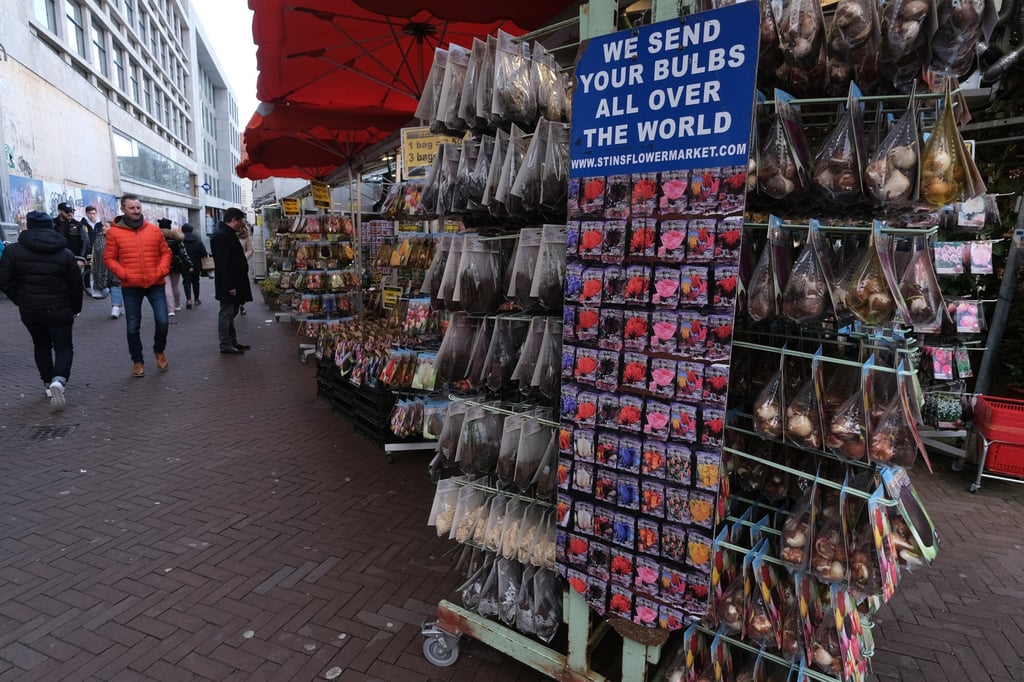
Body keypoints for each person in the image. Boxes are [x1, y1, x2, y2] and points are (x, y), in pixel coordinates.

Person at [0, 211, 84, 411]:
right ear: (50, 226)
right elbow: (75, 285)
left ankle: (47, 383)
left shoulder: (13, 252)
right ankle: (59, 380)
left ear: (28, 226)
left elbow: (4, 281)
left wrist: (20, 299)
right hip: (60, 307)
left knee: (41, 345)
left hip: (30, 309)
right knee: (64, 346)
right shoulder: (65, 253)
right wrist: (75, 307)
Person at [103, 194, 172, 377]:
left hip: (155, 282)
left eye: (138, 208)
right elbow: (109, 258)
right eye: (132, 208)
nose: (136, 211)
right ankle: (137, 361)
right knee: (133, 326)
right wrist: (125, 274)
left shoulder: (154, 230)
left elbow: (165, 252)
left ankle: (159, 350)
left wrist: (162, 269)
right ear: (123, 209)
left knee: (163, 321)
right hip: (130, 285)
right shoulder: (114, 232)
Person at [210, 207, 253, 355]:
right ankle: (226, 344)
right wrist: (229, 285)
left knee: (231, 312)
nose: (242, 224)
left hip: (234, 281)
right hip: (230, 282)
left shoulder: (226, 234)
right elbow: (223, 263)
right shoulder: (222, 236)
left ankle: (231, 342)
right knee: (227, 313)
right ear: (234, 220)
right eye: (241, 221)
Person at [90, 219, 125, 318]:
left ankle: (115, 307)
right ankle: (118, 306)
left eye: (106, 226)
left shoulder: (118, 238)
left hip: (115, 266)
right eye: (103, 226)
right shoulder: (99, 238)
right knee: (109, 285)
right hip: (102, 267)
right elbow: (95, 253)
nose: (103, 227)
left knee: (115, 284)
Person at [158, 218, 192, 316]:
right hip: (176, 265)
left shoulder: (157, 238)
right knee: (175, 286)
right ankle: (177, 304)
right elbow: (183, 253)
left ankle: (170, 309)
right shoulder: (176, 238)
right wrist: (189, 264)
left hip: (162, 264)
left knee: (166, 287)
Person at [181, 224, 208, 308]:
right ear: (192, 230)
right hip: (196, 264)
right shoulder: (198, 240)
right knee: (196, 281)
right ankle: (196, 299)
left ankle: (188, 299)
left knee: (186, 281)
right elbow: (204, 253)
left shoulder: (180, 240)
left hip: (184, 264)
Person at [237, 220, 254, 316]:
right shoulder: (231, 235)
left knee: (241, 285)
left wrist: (244, 257)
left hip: (242, 265)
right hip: (232, 264)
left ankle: (241, 305)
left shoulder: (246, 237)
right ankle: (235, 304)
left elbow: (250, 250)